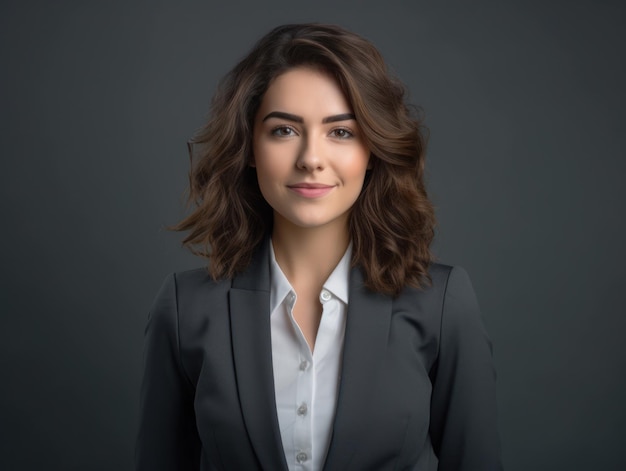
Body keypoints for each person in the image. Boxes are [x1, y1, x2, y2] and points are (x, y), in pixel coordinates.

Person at [136, 23, 502, 471]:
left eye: (341, 132)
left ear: (373, 149)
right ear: (250, 146)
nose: (311, 157)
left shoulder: (443, 306)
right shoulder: (184, 309)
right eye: (284, 131)